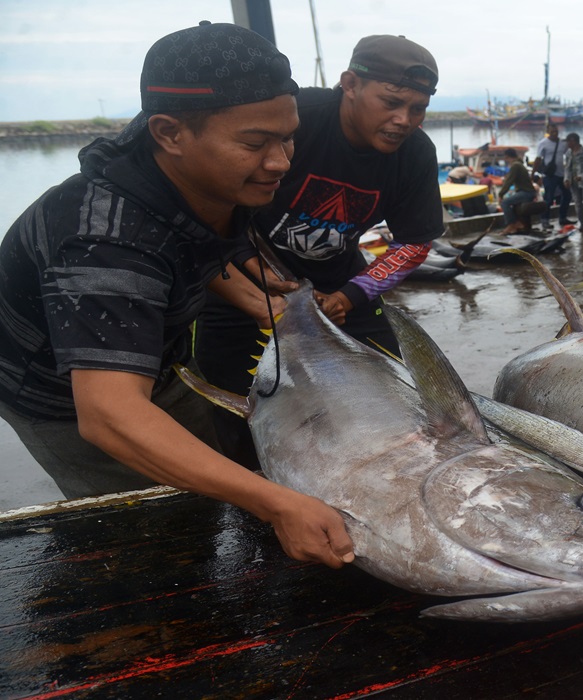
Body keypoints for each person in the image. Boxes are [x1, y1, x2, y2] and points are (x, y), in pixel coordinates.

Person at [0, 22, 354, 569]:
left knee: (209, 477)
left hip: (162, 360)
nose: (281, 161)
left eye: (288, 137)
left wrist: (262, 302)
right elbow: (109, 416)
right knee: (145, 535)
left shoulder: (196, 171)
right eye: (256, 143)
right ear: (168, 132)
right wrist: (278, 503)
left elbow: (191, 244)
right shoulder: (104, 244)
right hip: (63, 396)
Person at [193, 34, 444, 468]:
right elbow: (205, 206)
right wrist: (258, 279)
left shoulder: (415, 154)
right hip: (243, 271)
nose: (404, 120)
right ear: (349, 84)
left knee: (399, 392)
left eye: (417, 109)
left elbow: (415, 242)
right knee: (236, 407)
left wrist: (349, 295)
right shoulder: (296, 119)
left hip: (339, 280)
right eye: (390, 103)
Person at [532, 123, 572, 228]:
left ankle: (562, 218)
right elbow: (538, 159)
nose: (554, 133)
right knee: (549, 198)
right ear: (548, 132)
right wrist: (533, 173)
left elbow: (568, 155)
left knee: (567, 195)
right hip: (549, 175)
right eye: (552, 131)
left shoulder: (563, 143)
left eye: (556, 131)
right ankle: (545, 220)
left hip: (561, 174)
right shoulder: (543, 143)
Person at [499, 148, 536, 233]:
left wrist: (501, 194)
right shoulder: (519, 164)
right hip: (528, 192)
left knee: (505, 202)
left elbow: (509, 181)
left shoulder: (515, 165)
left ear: (507, 156)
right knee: (511, 203)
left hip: (526, 193)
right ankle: (517, 223)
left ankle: (511, 224)